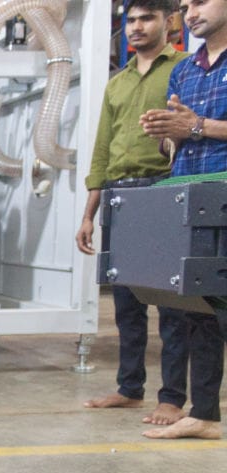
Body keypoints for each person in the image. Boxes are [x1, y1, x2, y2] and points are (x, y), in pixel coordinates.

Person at [76, 0, 189, 426]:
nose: (137, 28)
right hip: (119, 196)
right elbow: (102, 151)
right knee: (126, 304)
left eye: (147, 19)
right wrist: (90, 212)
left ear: (169, 22)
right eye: (132, 21)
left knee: (174, 306)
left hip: (163, 190)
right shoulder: (117, 83)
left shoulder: (181, 69)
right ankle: (129, 388)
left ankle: (173, 397)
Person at [139, 0, 227, 439]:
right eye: (186, 6)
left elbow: (197, 127)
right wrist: (165, 135)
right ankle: (205, 414)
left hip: (225, 193)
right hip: (190, 196)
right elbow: (180, 139)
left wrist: (197, 127)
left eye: (201, 2)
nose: (190, 13)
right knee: (201, 310)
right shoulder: (185, 71)